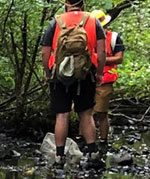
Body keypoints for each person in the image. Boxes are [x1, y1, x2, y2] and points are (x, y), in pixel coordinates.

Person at [39, 0, 106, 167]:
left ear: (66, 5)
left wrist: (48, 74)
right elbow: (102, 50)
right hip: (85, 71)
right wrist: (98, 73)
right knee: (86, 113)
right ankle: (92, 152)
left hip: (59, 73)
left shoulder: (56, 21)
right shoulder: (93, 20)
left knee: (62, 115)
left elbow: (45, 52)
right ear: (82, 4)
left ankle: (59, 156)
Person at [90, 10, 125, 156]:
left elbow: (119, 58)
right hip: (87, 80)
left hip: (105, 81)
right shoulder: (85, 37)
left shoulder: (113, 38)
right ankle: (86, 140)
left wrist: (99, 59)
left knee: (102, 113)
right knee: (84, 113)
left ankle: (103, 142)